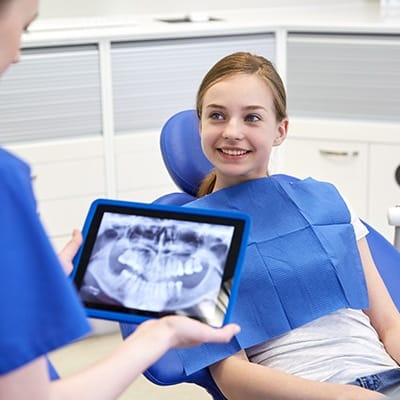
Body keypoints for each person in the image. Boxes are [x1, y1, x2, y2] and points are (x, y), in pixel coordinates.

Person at [0, 1, 240, 399]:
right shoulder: (5, 180)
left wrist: (28, 282)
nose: (17, 54)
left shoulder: (324, 199)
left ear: (281, 128)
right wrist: (157, 335)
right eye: (23, 29)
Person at [174, 52, 400, 399]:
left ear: (280, 130)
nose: (232, 132)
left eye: (252, 117)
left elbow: (388, 324)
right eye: (217, 116)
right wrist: (341, 396)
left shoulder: (326, 202)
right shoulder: (188, 238)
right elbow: (230, 376)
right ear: (200, 125)